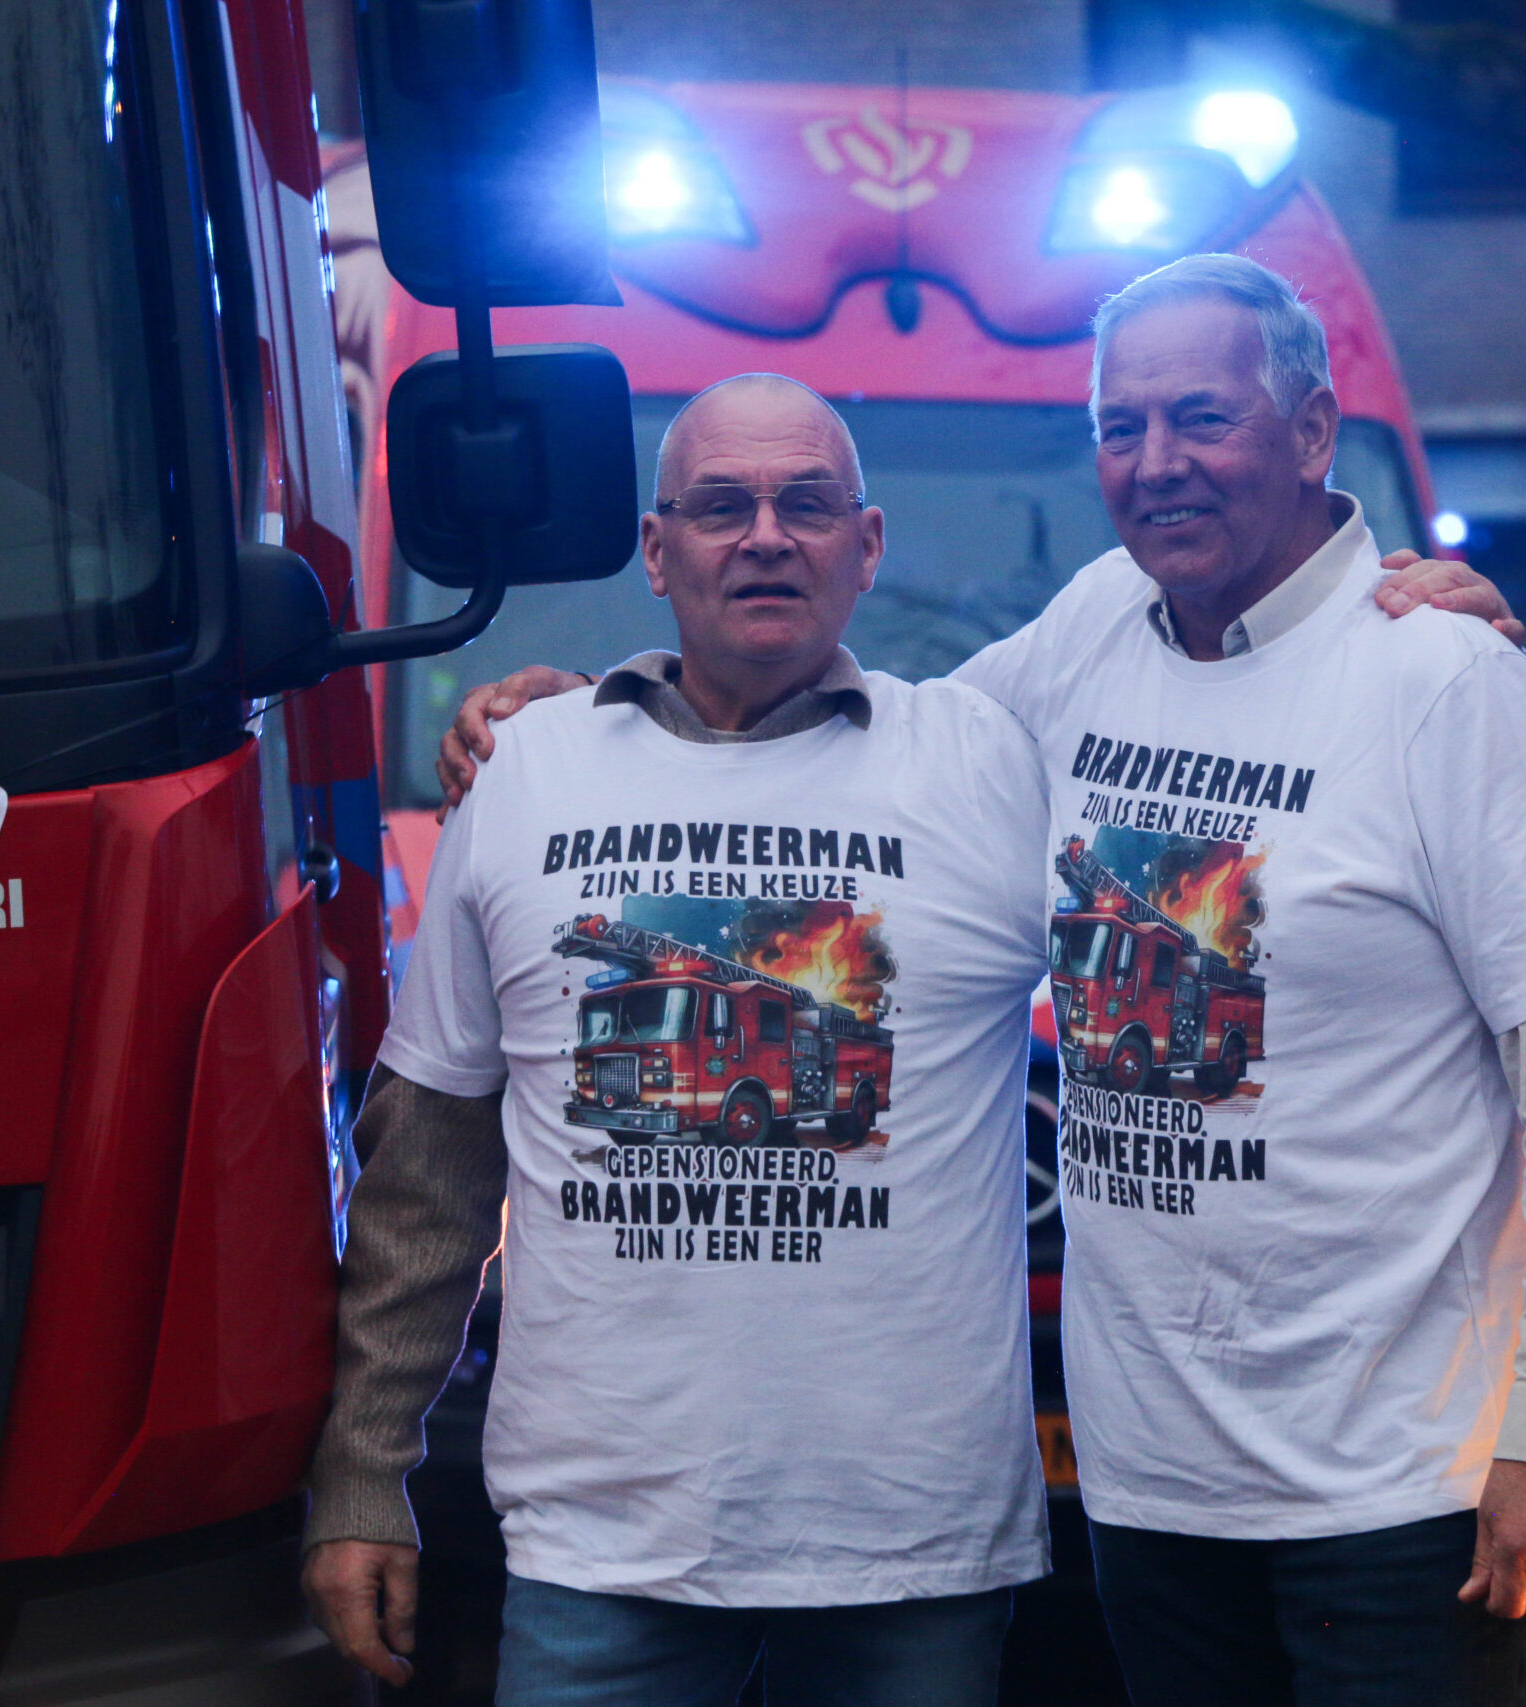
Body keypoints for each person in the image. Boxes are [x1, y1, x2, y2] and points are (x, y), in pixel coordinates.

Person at [440, 255, 1526, 1707]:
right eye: (1120, 427)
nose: (1157, 463)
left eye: (1202, 418)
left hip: (1402, 1484)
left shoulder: (1447, 687)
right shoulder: (1092, 630)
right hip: (1157, 1482)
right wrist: (599, 728)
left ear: (1314, 431)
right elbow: (848, 759)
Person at [301, 373, 1060, 1706]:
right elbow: (428, 1166)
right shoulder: (529, 772)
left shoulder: (994, 764)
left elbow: (1208, 717)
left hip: (911, 1550)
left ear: (866, 545)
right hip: (600, 1549)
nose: (765, 536)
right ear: (656, 553)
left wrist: (1391, 619)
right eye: (721, 507)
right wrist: (365, 1471)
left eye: (805, 504)